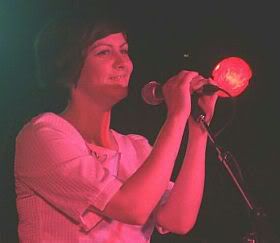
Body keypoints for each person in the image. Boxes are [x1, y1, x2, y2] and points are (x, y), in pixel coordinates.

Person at [14, 9, 219, 243]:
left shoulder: (136, 147)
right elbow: (132, 208)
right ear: (66, 68)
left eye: (124, 51)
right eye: (104, 52)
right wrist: (175, 116)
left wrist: (197, 129)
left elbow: (178, 220)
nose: (122, 63)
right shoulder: (43, 135)